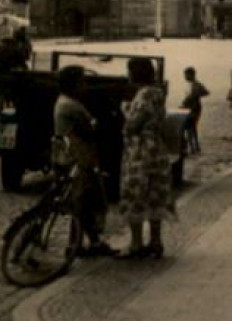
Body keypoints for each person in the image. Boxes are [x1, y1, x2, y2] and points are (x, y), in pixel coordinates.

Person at [118, 56, 175, 259]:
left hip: (140, 151)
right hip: (157, 150)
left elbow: (133, 125)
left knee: (135, 193)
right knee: (154, 194)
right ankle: (156, 241)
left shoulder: (142, 95)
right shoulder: (158, 93)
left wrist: (124, 110)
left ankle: (136, 244)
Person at [53, 65, 113, 257]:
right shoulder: (72, 106)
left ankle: (92, 242)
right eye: (82, 82)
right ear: (74, 84)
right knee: (81, 203)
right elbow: (91, 127)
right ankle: (74, 245)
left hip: (75, 158)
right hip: (79, 159)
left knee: (85, 202)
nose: (85, 86)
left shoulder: (65, 102)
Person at [180, 66, 211, 155]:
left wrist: (195, 95)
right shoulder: (193, 84)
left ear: (191, 75)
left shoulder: (195, 85)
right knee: (192, 128)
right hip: (193, 108)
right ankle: (195, 147)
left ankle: (192, 148)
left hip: (193, 108)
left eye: (186, 75)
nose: (185, 77)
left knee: (189, 128)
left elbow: (206, 92)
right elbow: (206, 92)